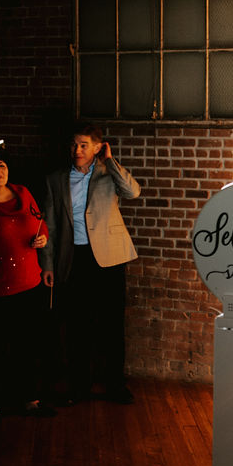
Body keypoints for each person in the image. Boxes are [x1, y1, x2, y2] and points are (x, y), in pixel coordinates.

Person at [40, 123, 140, 405]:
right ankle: (78, 386)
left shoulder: (109, 173)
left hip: (108, 259)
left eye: (84, 145)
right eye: (74, 145)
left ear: (97, 147)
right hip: (73, 259)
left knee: (111, 325)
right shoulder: (56, 179)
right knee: (77, 327)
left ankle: (115, 385)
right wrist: (47, 264)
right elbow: (49, 225)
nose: (77, 150)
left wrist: (109, 160)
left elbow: (132, 192)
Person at [0, 141, 54, 416]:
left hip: (28, 283)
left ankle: (29, 398)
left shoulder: (23, 193)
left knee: (26, 346)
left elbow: (41, 223)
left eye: (2, 165)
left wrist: (43, 239)